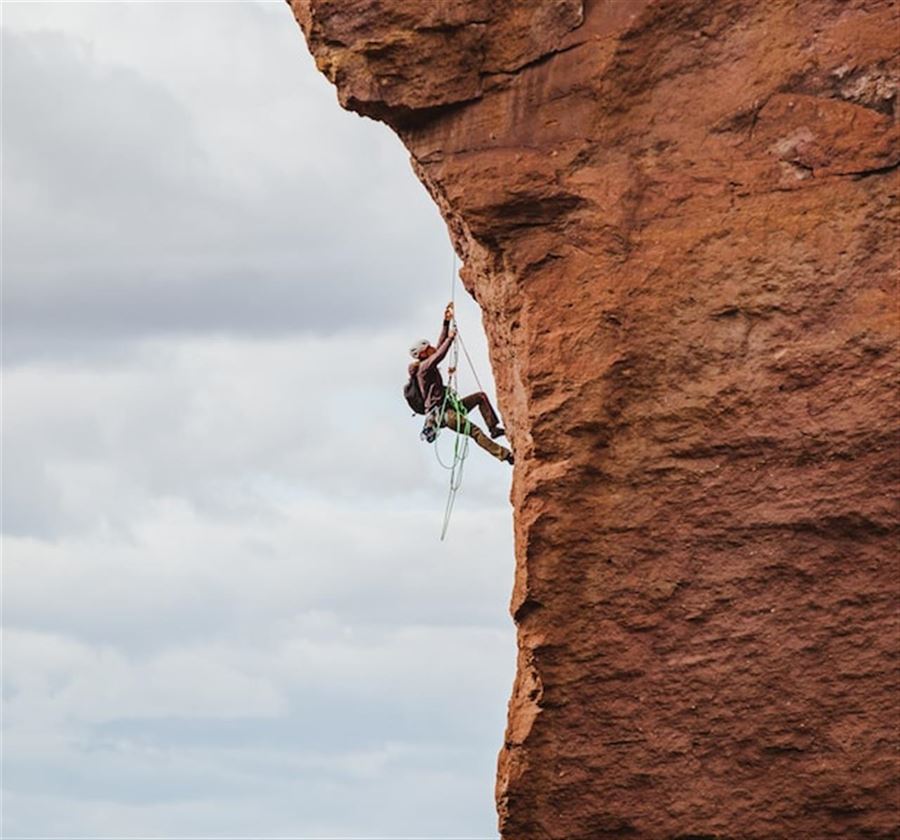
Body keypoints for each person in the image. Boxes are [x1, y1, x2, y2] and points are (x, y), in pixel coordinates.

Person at [408, 302, 514, 465]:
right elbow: (440, 354)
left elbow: (439, 347)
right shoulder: (424, 368)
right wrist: (450, 338)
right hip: (444, 414)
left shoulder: (426, 365)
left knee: (480, 397)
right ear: (423, 354)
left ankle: (493, 428)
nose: (433, 348)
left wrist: (446, 322)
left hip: (448, 408)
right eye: (429, 348)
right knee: (475, 432)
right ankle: (505, 455)